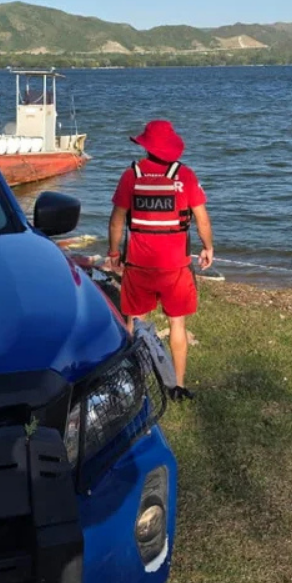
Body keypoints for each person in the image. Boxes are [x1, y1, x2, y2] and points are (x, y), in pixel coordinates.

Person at [103, 120, 213, 401]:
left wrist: (114, 253)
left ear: (145, 146)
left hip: (139, 264)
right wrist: (208, 247)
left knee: (134, 321)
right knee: (178, 324)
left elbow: (116, 221)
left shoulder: (132, 175)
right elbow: (201, 218)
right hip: (175, 267)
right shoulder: (185, 176)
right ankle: (177, 385)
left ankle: (131, 380)